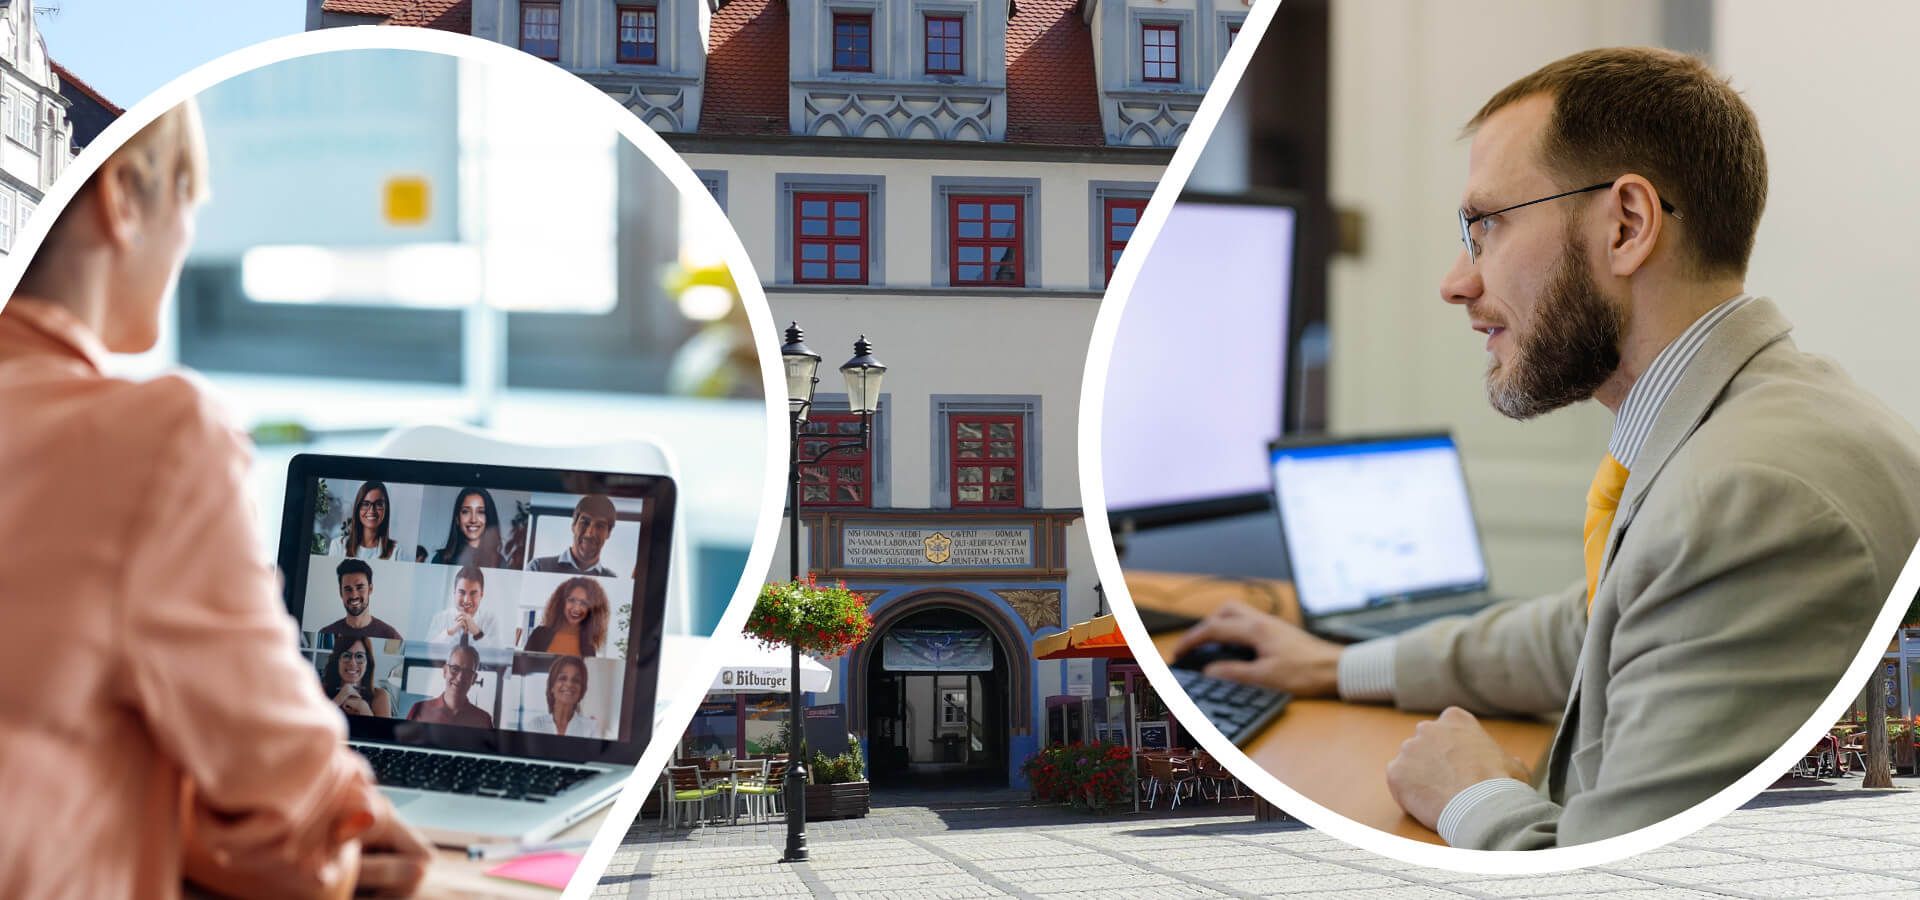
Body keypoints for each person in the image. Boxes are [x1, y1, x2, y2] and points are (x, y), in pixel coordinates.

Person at [1175, 47, 1920, 850]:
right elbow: (1589, 628)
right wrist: (1333, 665)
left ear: (1627, 226)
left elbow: (1629, 871)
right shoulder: (1748, 420)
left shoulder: (1747, 496)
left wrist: (1471, 796)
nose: (1456, 282)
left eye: (1486, 225)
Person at [0, 101, 430, 898]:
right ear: (125, 196)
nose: (189, 237)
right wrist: (340, 824)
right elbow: (299, 824)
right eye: (190, 201)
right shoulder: (154, 440)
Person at [317, 558, 403, 648]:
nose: (354, 596)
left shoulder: (391, 636)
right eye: (348, 589)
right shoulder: (325, 633)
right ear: (340, 593)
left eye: (360, 587)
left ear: (370, 589)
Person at [406, 642, 494, 728]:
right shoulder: (418, 710)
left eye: (467, 672)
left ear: (474, 679)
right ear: (445, 671)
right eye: (455, 669)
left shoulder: (483, 720)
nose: (460, 678)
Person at [528, 493, 618, 576]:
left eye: (600, 526)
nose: (590, 533)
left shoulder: (613, 581)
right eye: (585, 522)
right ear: (573, 525)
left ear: (608, 533)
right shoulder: (538, 568)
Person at [522, 576, 612, 658]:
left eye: (584, 603)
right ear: (561, 603)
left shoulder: (589, 645)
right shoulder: (539, 634)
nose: (576, 608)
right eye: (571, 600)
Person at [523, 655, 601, 738]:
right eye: (563, 678)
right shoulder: (534, 725)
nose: (569, 684)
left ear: (581, 690)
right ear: (552, 687)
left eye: (576, 680)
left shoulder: (591, 727)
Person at [430, 486, 507, 568]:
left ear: (489, 517)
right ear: (457, 519)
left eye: (481, 512)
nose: (473, 520)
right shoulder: (440, 559)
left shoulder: (499, 562)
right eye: (466, 511)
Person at [427, 565, 502, 648]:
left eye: (473, 593)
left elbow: (496, 656)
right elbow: (427, 651)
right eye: (462, 592)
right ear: (454, 593)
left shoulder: (490, 621)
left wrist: (477, 633)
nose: (466, 600)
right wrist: (450, 632)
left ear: (481, 595)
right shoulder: (440, 618)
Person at [329, 480, 404, 560]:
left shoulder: (396, 551)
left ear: (386, 509)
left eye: (379, 504)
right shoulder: (338, 546)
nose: (372, 510)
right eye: (365, 504)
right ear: (357, 509)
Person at [322, 636, 393, 718]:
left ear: (368, 663)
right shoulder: (320, 690)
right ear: (337, 661)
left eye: (359, 656)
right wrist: (338, 699)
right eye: (346, 656)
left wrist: (364, 708)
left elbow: (384, 731)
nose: (352, 663)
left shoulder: (381, 695)